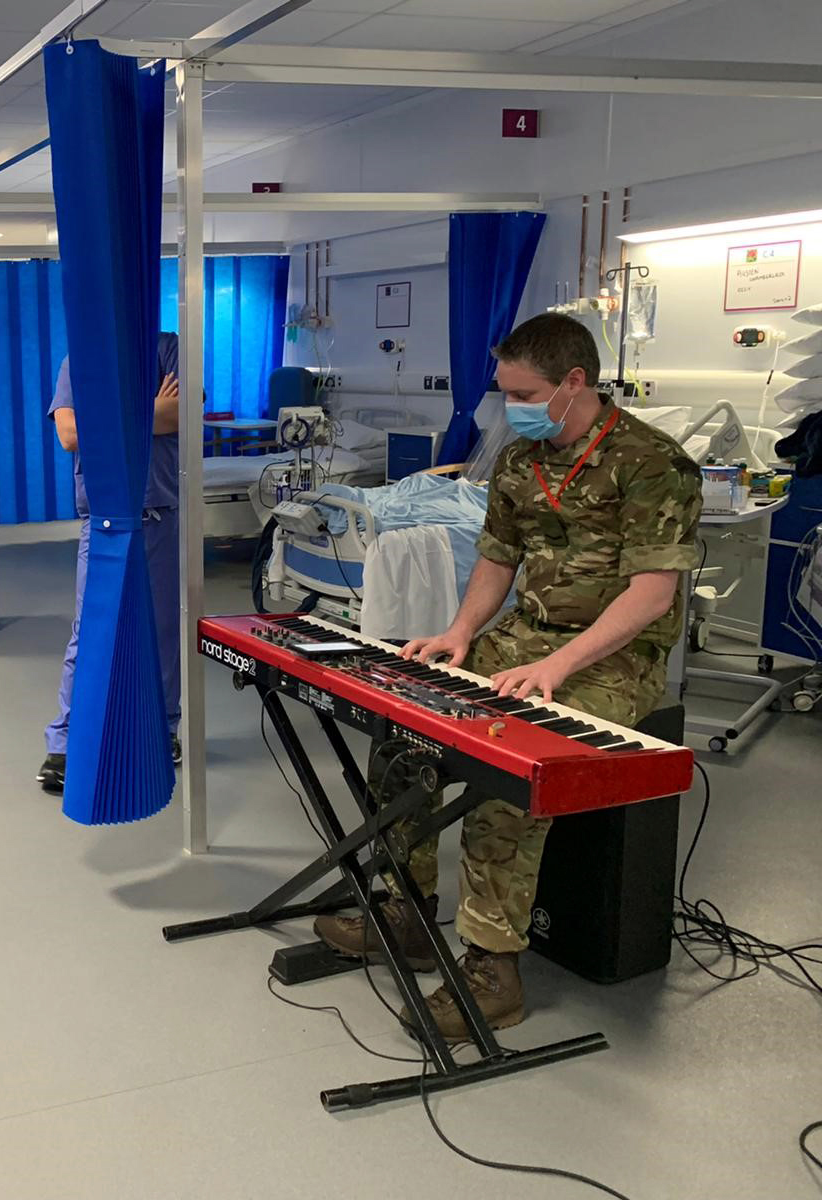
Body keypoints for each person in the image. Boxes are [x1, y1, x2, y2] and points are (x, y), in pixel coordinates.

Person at [312, 312, 701, 1039]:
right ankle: (407, 913)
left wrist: (557, 665)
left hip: (616, 659)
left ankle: (493, 972)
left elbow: (652, 596)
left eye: (522, 394)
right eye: (505, 393)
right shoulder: (522, 461)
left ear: (574, 382)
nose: (510, 406)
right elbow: (497, 558)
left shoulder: (653, 464)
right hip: (525, 639)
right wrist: (460, 632)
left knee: (504, 772)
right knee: (402, 735)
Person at [37, 332, 184, 795]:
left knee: (162, 628)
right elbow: (69, 435)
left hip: (158, 508)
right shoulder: (80, 357)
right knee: (90, 631)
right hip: (102, 518)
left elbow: (181, 414)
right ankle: (66, 742)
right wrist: (150, 413)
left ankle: (164, 728)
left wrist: (102, 421)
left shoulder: (166, 347)